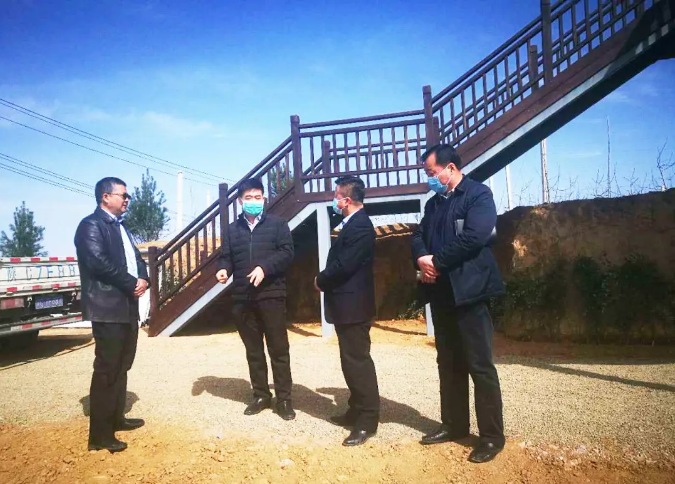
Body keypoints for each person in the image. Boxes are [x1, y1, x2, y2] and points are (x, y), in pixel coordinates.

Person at [411, 144, 506, 464]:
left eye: (431, 172)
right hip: (442, 295)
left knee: (479, 365)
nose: (429, 178)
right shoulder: (434, 203)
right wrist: (422, 258)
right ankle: (454, 425)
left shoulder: (478, 195)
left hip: (470, 292)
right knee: (448, 363)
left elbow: (475, 237)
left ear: (450, 168)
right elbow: (418, 235)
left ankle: (491, 437)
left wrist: (436, 262)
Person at [74, 177, 149, 453]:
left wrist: (144, 278)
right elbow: (98, 263)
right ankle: (100, 435)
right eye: (123, 195)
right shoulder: (90, 226)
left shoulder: (121, 226)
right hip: (107, 308)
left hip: (127, 307)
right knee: (107, 368)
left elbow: (136, 259)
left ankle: (117, 418)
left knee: (122, 365)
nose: (127, 199)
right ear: (106, 197)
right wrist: (131, 283)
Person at [216, 178, 296, 420]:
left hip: (271, 295)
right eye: (248, 198)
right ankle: (261, 395)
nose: (253, 201)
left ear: (264, 199)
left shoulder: (278, 224)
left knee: (278, 349)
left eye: (257, 197)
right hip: (243, 297)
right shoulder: (232, 229)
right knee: (253, 350)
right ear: (241, 201)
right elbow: (226, 256)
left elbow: (287, 252)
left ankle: (284, 399)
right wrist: (223, 269)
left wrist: (264, 267)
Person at [315, 175, 380, 447]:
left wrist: (321, 279)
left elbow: (345, 265)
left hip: (354, 307)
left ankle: (368, 420)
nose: (335, 200)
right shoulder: (351, 224)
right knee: (349, 360)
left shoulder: (361, 226)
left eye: (337, 196)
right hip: (346, 306)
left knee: (358, 362)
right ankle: (355, 409)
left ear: (347, 200)